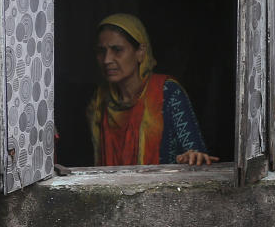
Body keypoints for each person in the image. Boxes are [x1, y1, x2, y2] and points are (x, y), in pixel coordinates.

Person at [87, 13, 218, 167]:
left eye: (117, 50)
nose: (107, 59)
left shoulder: (167, 92)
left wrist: (192, 156)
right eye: (101, 51)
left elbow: (196, 153)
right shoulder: (100, 100)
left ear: (140, 52)